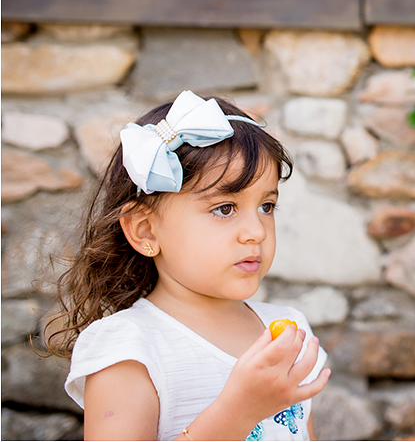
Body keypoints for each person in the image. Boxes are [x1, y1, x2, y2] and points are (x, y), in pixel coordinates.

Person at [46, 90, 331, 441]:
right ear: (145, 229)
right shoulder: (130, 348)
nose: (256, 231)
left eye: (266, 206)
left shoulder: (287, 331)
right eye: (224, 208)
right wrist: (236, 412)